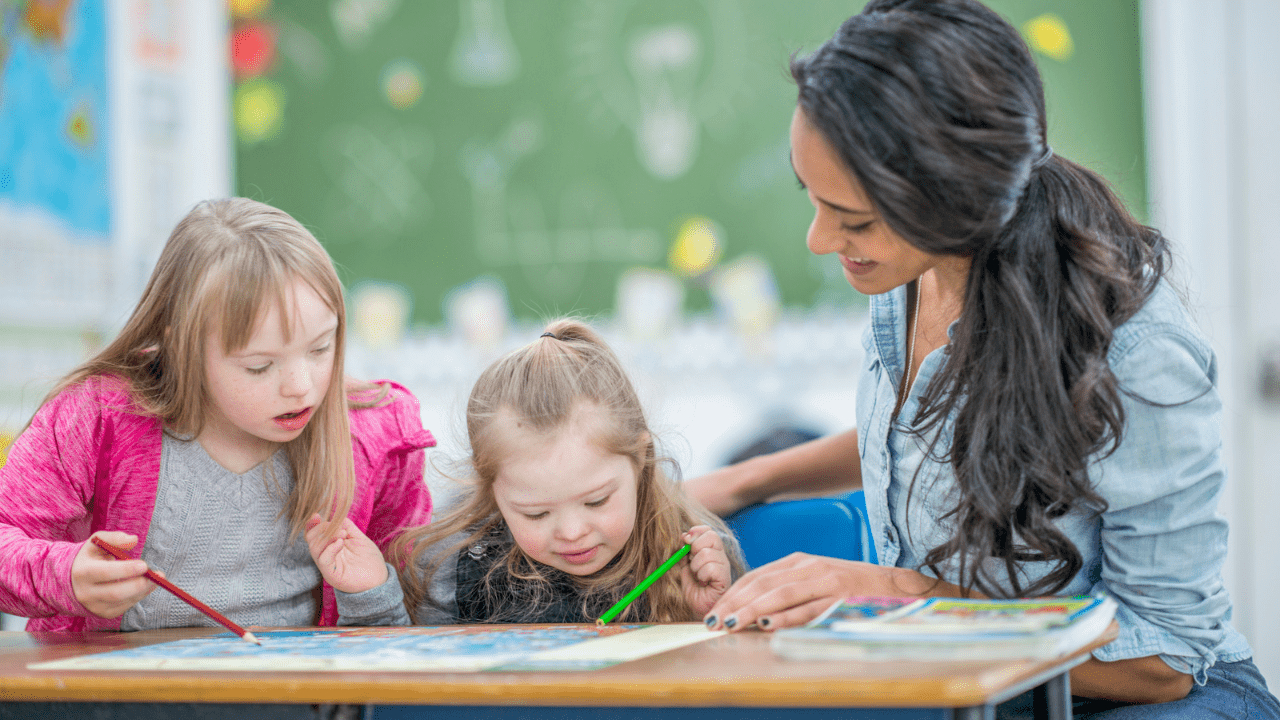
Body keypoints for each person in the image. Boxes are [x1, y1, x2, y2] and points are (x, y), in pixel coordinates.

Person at [683, 1, 1280, 717]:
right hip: (982, 693)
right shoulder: (909, 275)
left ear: (956, 198)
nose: (819, 239)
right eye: (812, 199)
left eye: (855, 221)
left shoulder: (1134, 347)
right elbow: (928, 436)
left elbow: (1166, 658)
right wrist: (743, 481)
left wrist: (893, 594)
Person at [0, 197, 434, 636]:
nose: (301, 385)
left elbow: (416, 617)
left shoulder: (380, 432)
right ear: (182, 348)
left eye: (321, 347)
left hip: (300, 702)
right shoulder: (97, 416)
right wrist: (66, 575)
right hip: (111, 702)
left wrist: (373, 592)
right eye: (258, 366)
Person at [309, 319, 741, 626]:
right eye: (535, 514)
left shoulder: (693, 553)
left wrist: (713, 613)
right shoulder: (449, 563)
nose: (572, 532)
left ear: (640, 460)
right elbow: (405, 685)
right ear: (492, 488)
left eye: (596, 501)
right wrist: (369, 596)